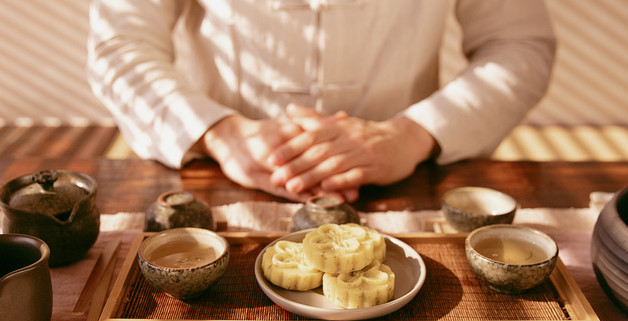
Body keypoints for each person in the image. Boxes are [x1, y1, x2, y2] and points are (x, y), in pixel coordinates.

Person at [87, 0, 556, 202]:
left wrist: (415, 133)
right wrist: (222, 134)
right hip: (216, 180)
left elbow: (518, 44)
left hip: (413, 183)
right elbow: (119, 44)